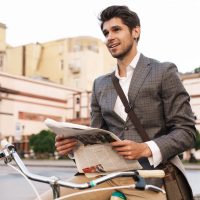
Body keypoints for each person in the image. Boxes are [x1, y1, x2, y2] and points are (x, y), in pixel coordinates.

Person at [39, 5, 197, 200]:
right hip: (105, 176)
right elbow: (96, 137)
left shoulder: (163, 72)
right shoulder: (100, 84)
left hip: (151, 178)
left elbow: (187, 131)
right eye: (106, 33)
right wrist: (74, 146)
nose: (109, 37)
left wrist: (145, 148)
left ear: (136, 31)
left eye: (116, 29)